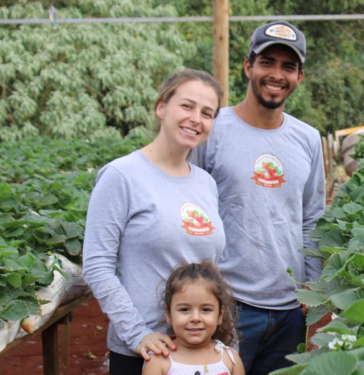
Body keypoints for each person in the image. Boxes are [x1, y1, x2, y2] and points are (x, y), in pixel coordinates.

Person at [189, 20, 326, 375]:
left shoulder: (308, 139)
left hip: (290, 309)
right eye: (267, 62)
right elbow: (189, 210)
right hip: (227, 303)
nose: (276, 74)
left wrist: (311, 291)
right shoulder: (213, 130)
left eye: (288, 66)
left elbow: (312, 217)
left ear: (300, 77)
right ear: (248, 66)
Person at [82, 69, 226, 375]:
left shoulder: (205, 183)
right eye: (186, 106)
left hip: (199, 349)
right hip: (145, 353)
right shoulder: (122, 176)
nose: (195, 119)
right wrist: (137, 334)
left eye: (207, 113)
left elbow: (212, 267)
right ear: (161, 107)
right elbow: (97, 264)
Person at [142, 262, 245, 375]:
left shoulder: (230, 360)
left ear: (220, 315)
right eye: (184, 309)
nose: (195, 318)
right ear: (168, 314)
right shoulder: (158, 361)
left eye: (205, 310)